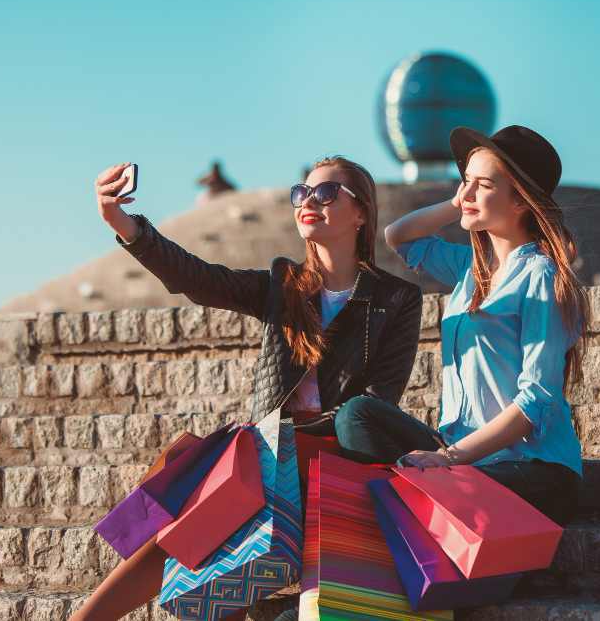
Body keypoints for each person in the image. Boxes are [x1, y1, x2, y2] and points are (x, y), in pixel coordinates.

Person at [73, 156, 423, 621]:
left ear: (362, 213)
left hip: (336, 454)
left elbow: (377, 404)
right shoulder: (284, 284)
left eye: (325, 193)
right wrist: (124, 224)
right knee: (202, 520)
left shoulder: (396, 298)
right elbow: (197, 280)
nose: (308, 202)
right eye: (302, 193)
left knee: (224, 495)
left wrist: (280, 441)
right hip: (271, 453)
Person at [335, 125, 591, 528]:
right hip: (462, 461)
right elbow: (397, 237)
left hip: (532, 469)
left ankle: (415, 505)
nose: (467, 193)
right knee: (356, 416)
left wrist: (448, 459)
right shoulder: (470, 269)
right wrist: (461, 202)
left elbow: (537, 401)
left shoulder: (540, 275)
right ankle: (418, 503)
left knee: (444, 488)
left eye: (483, 185)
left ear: (522, 200)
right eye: (464, 182)